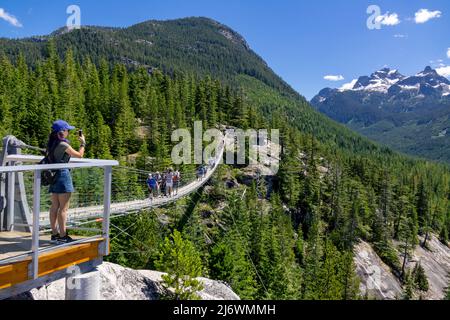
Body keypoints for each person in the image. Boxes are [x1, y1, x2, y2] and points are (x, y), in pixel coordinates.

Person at [47, 120, 86, 244]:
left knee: (54, 207)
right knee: (63, 209)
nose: (68, 132)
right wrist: (83, 143)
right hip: (63, 175)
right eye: (67, 130)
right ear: (61, 132)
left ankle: (54, 234)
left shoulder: (51, 143)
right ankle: (63, 236)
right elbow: (79, 155)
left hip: (53, 175)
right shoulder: (63, 145)